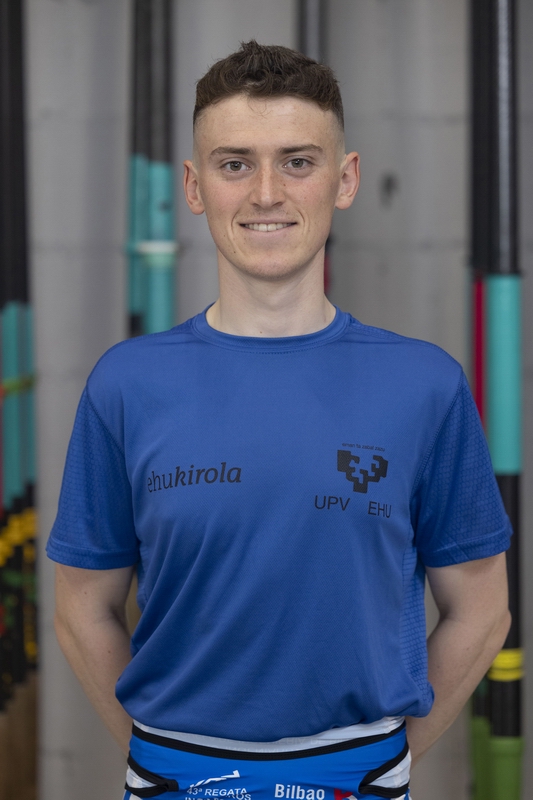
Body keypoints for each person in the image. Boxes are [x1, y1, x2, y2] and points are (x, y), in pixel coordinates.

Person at [47, 41, 511, 800]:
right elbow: (81, 608)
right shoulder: (126, 385)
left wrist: (388, 764)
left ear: (345, 178)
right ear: (194, 187)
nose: (266, 193)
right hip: (177, 771)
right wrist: (152, 760)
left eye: (297, 161)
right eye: (235, 164)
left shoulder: (423, 385)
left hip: (357, 771)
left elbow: (482, 611)